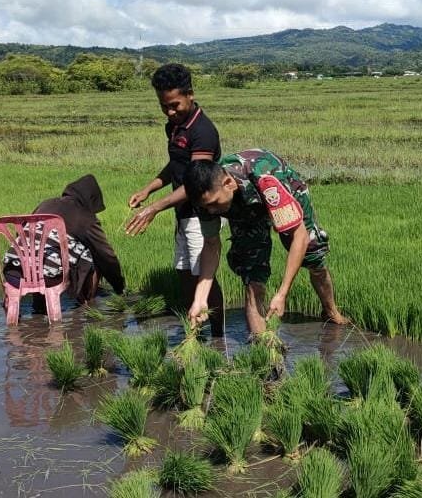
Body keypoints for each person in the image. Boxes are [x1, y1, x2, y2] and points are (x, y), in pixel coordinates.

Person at [182, 149, 350, 335]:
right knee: (252, 276)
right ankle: (261, 343)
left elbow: (300, 237)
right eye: (206, 207)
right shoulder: (205, 200)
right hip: (244, 210)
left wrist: (282, 293)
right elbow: (211, 244)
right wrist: (200, 298)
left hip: (282, 192)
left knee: (312, 256)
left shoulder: (266, 181)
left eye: (214, 204)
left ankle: (330, 311)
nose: (211, 211)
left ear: (228, 184)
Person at [125, 63, 225, 335]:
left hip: (201, 213)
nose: (170, 112)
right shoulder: (174, 126)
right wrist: (148, 189)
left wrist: (153, 209)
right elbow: (176, 165)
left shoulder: (203, 131)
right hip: (182, 213)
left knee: (203, 276)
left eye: (174, 105)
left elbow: (196, 183)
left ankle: (218, 336)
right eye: (164, 106)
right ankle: (193, 330)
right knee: (183, 270)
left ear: (190, 95)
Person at [3, 174, 125, 306]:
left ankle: (38, 307)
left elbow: (21, 232)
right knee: (94, 255)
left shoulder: (46, 204)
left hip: (12, 271)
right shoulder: (86, 217)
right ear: (91, 201)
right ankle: (87, 305)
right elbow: (106, 256)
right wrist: (119, 287)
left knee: (40, 253)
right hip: (48, 278)